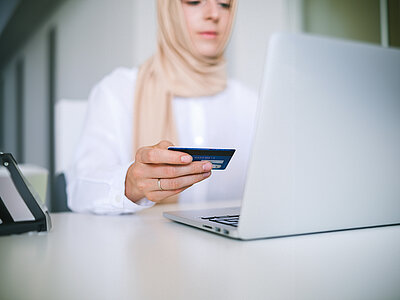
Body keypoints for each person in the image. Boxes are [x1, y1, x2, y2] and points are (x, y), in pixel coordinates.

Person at [66, 0, 258, 214]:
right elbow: (78, 190)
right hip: (138, 245)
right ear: (169, 10)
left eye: (224, 4)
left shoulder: (253, 103)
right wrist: (129, 184)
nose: (214, 14)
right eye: (194, 1)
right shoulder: (117, 91)